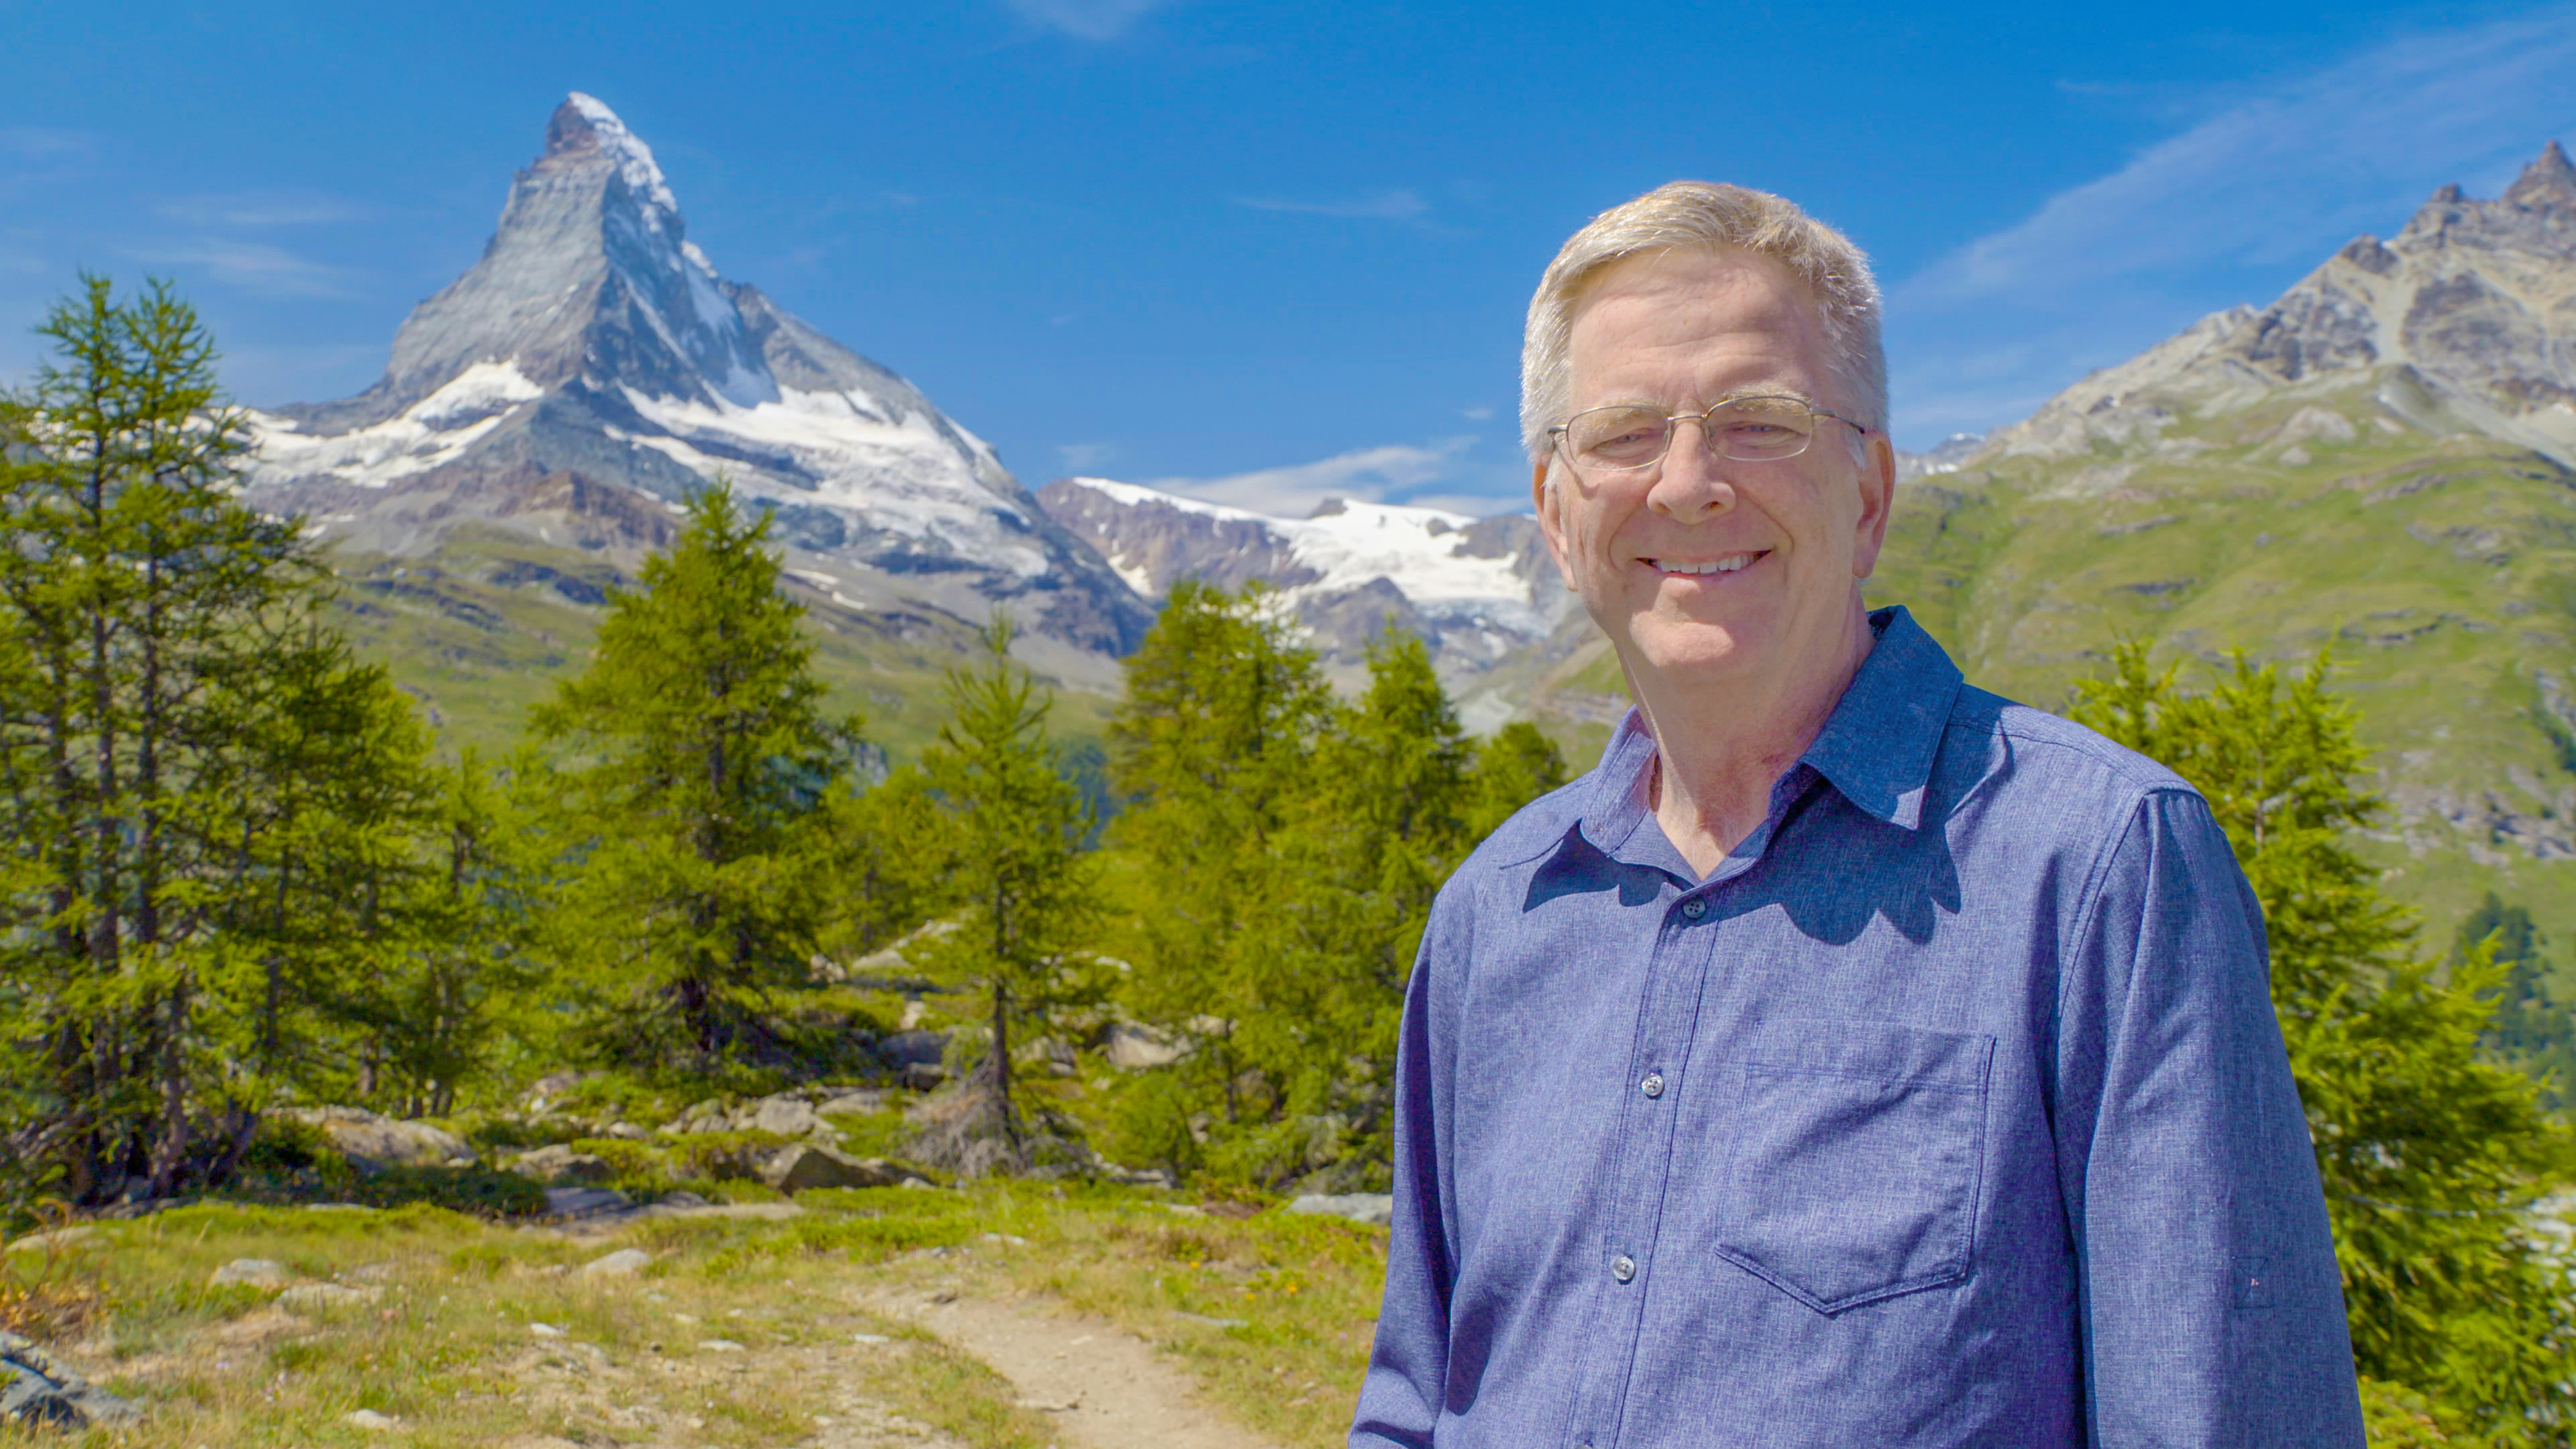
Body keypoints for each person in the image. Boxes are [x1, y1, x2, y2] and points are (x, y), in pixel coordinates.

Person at [1348, 183, 2365, 1448]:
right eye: (1621, 435)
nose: (1685, 482)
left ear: (1869, 492)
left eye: (1755, 422)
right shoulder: (1497, 911)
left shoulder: (2097, 864)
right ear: (1556, 516)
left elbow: (2221, 1417)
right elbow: (1414, 1399)